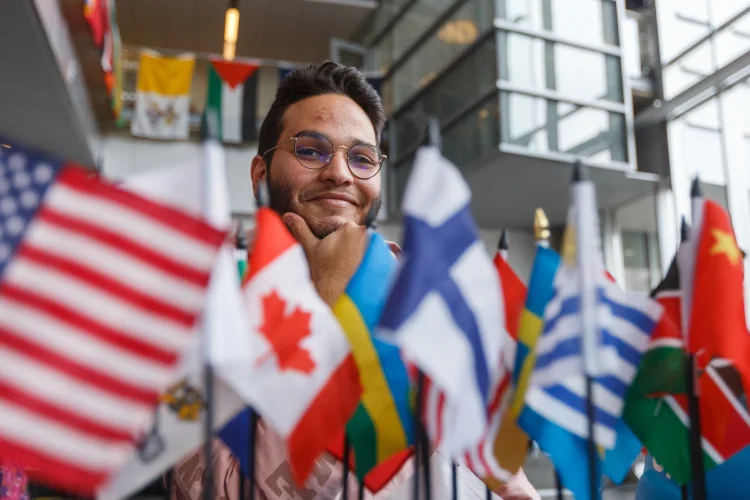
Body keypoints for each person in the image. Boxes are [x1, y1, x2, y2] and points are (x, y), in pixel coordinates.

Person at [170, 61, 540, 500]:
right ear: (260, 175)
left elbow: (505, 477)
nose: (341, 173)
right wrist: (334, 313)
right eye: (311, 150)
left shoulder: (434, 298)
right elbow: (214, 490)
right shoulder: (202, 310)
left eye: (362, 158)